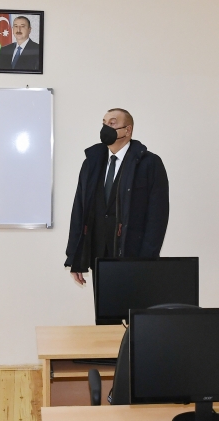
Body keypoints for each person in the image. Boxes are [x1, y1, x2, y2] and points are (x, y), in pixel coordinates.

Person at [65, 109, 169, 319]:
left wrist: (147, 261)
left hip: (133, 256)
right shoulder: (92, 162)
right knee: (105, 319)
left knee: (135, 321)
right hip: (99, 256)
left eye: (112, 123)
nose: (106, 128)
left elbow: (158, 216)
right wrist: (75, 257)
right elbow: (79, 209)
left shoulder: (149, 164)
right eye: (104, 123)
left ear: (127, 130)